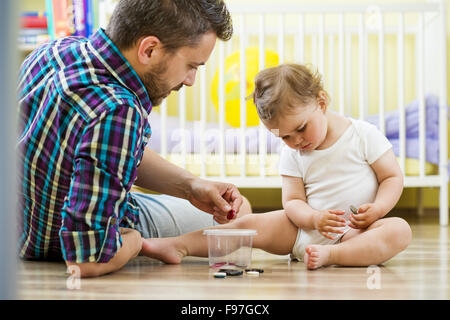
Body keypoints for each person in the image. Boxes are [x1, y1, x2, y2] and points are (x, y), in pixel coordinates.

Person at [17, 0, 252, 278]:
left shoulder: (50, 53)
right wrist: (135, 241)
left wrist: (192, 186)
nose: (190, 81)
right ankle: (167, 246)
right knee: (243, 212)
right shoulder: (118, 108)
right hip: (61, 244)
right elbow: (86, 261)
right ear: (149, 49)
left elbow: (104, 150)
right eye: (192, 65)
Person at [140, 63, 412, 270]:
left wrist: (378, 209)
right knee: (248, 224)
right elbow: (292, 201)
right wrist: (313, 219)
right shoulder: (292, 152)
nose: (295, 141)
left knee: (399, 229)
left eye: (301, 128)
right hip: (301, 230)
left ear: (321, 102)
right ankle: (179, 245)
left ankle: (334, 255)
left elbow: (391, 177)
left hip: (354, 233)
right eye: (283, 136)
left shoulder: (363, 134)